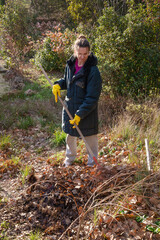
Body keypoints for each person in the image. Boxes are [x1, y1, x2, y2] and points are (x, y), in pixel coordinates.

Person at [52, 35, 102, 167]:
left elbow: (92, 97)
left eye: (85, 54)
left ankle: (92, 164)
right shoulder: (70, 65)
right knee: (70, 137)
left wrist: (80, 114)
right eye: (79, 53)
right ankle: (69, 159)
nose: (82, 57)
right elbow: (68, 82)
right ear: (75, 51)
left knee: (90, 138)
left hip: (87, 111)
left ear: (89, 52)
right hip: (70, 107)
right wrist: (58, 84)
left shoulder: (93, 71)